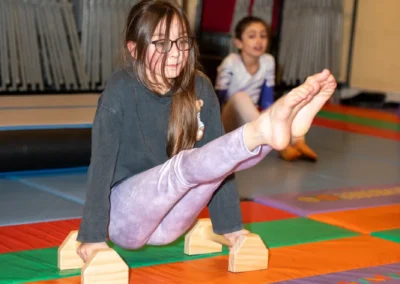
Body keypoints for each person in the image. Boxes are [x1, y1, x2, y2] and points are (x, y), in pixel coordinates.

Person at [76, 0, 337, 262]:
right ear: (135, 50)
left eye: (182, 41)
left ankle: (276, 132)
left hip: (169, 225)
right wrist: (92, 236)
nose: (176, 53)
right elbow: (101, 164)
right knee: (185, 166)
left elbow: (221, 170)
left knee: (212, 167)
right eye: (162, 44)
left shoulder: (199, 86)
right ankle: (266, 131)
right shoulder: (120, 88)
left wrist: (232, 230)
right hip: (124, 218)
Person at [215, 16, 318, 162]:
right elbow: (218, 97)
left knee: (294, 98)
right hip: (227, 123)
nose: (258, 41)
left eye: (263, 36)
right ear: (238, 42)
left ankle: (298, 142)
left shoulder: (268, 61)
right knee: (240, 97)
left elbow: (267, 100)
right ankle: (280, 146)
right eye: (252, 36)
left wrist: (273, 115)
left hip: (253, 120)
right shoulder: (230, 62)